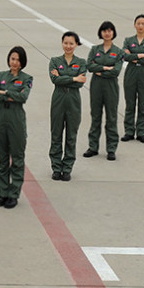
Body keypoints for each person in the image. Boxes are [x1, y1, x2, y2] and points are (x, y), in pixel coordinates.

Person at [0, 47, 32, 209]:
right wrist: (11, 94)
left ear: (22, 62)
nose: (15, 62)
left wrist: (4, 92)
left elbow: (23, 96)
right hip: (0, 119)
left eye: (18, 60)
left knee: (17, 158)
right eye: (13, 58)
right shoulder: (0, 75)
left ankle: (14, 194)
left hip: (16, 119)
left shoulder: (27, 78)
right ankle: (3, 193)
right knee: (2, 158)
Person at [49, 31, 87, 181]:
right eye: (66, 43)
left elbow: (81, 81)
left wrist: (62, 77)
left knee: (71, 135)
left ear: (76, 44)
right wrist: (73, 77)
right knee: (56, 134)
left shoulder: (81, 62)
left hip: (73, 100)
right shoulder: (54, 60)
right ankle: (56, 167)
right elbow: (54, 80)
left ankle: (67, 168)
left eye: (71, 43)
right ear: (62, 43)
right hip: (58, 99)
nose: (68, 46)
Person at [84, 22, 125, 161]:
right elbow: (89, 65)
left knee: (111, 117)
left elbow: (116, 71)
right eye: (104, 31)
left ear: (113, 33)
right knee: (95, 115)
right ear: (100, 33)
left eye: (109, 31)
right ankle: (93, 146)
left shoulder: (118, 52)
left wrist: (100, 70)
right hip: (96, 86)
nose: (107, 33)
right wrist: (106, 68)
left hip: (111, 86)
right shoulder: (95, 49)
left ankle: (111, 148)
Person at [121, 15, 144, 144]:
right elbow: (124, 56)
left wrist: (133, 55)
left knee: (143, 104)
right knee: (130, 103)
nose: (140, 26)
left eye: (143, 23)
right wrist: (141, 55)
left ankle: (141, 132)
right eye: (138, 23)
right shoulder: (128, 40)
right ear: (134, 25)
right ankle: (129, 131)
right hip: (131, 73)